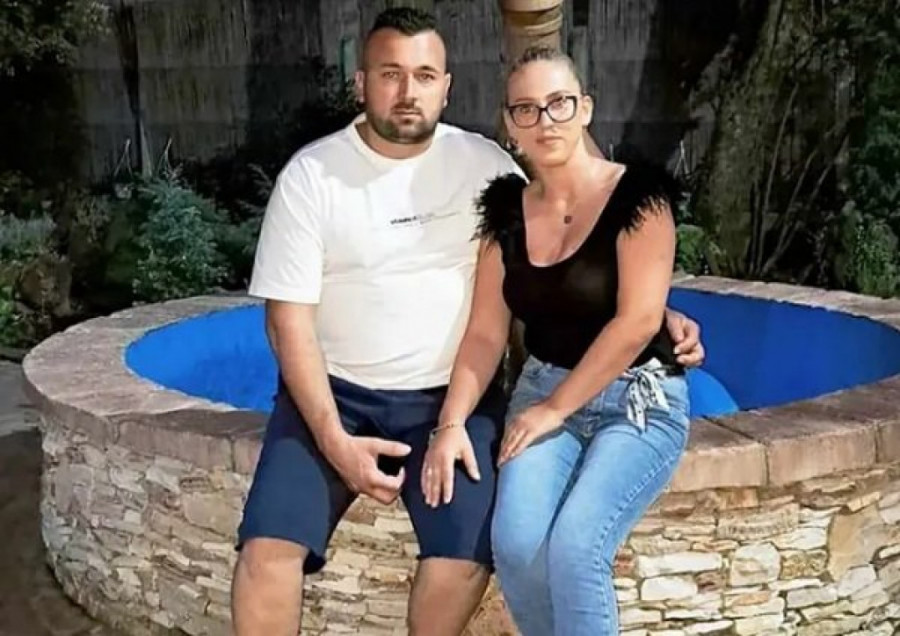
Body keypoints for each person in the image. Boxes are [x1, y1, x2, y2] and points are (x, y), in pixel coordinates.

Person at [231, 8, 704, 636]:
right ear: (361, 82)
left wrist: (650, 309)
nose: (408, 91)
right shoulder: (313, 176)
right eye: (390, 73)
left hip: (452, 396)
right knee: (266, 556)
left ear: (446, 87)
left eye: (424, 75)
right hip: (335, 394)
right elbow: (286, 325)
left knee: (470, 557)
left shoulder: (482, 164)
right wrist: (334, 441)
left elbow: (586, 222)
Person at [422, 46, 693, 635]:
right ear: (509, 123)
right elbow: (485, 333)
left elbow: (638, 322)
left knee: (575, 547)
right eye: (526, 109)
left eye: (559, 103)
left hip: (637, 398)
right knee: (517, 545)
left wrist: (554, 409)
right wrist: (451, 423)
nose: (545, 120)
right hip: (543, 386)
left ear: (585, 108)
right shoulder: (504, 215)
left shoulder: (640, 199)